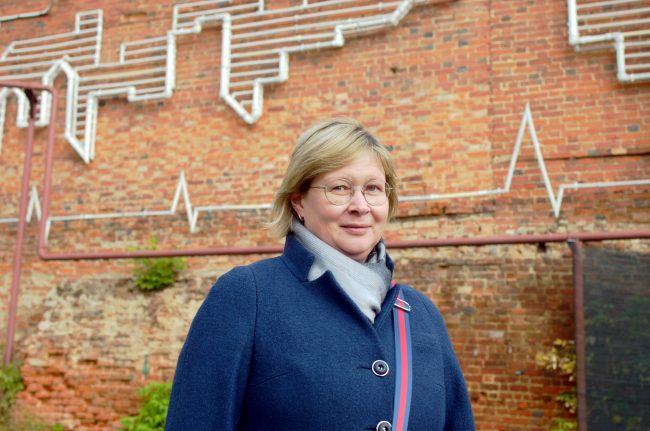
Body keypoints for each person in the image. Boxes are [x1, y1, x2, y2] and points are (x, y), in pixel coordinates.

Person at [165, 118, 475, 431]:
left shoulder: (421, 314)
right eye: (339, 188)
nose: (360, 206)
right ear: (298, 201)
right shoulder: (247, 296)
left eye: (373, 188)